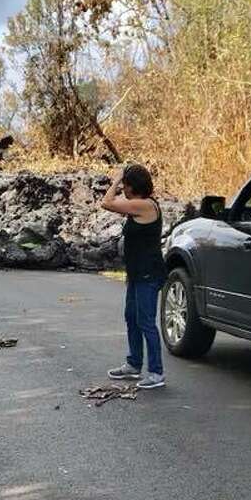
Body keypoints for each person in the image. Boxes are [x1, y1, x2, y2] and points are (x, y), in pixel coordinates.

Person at [101, 164, 166, 389]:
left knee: (146, 322)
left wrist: (117, 178)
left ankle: (156, 373)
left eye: (126, 186)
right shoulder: (137, 205)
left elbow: (107, 202)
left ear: (132, 186)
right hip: (137, 273)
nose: (123, 190)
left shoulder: (144, 205)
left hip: (149, 273)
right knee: (131, 317)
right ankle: (134, 364)